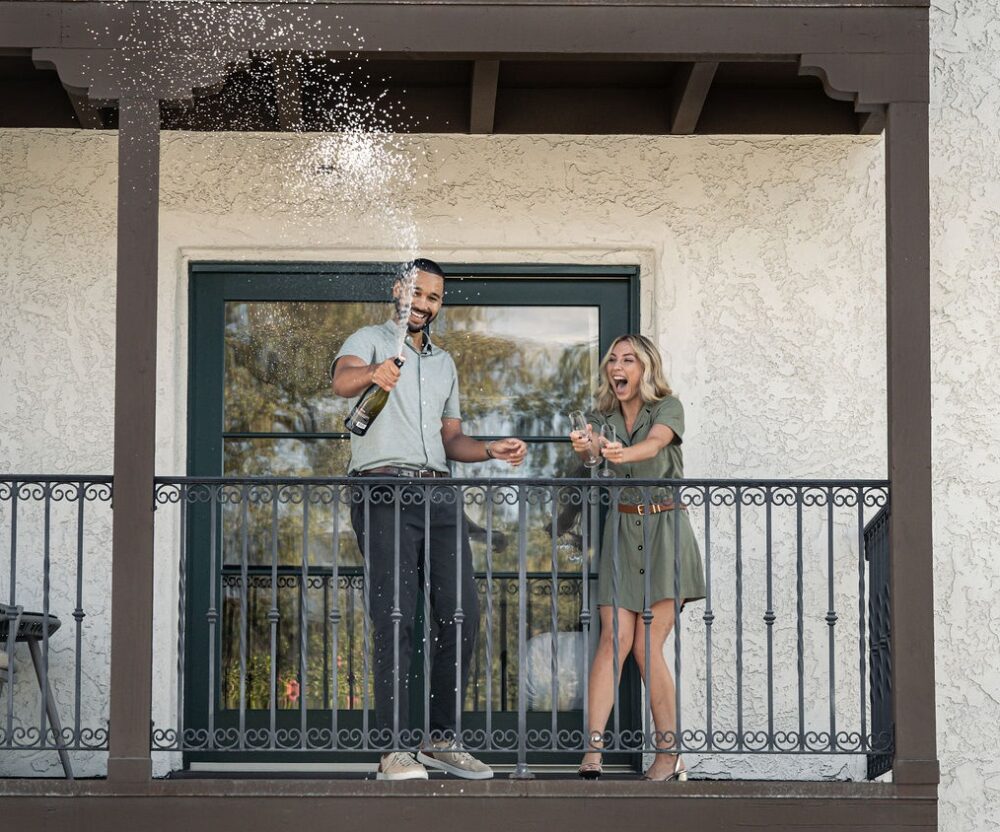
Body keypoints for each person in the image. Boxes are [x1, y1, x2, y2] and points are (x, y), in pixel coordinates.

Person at [332, 258, 527, 781]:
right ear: (399, 290)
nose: (423, 304)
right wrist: (373, 373)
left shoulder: (444, 363)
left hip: (438, 493)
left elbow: (450, 439)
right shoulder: (370, 337)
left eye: (434, 297)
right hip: (381, 488)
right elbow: (341, 382)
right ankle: (394, 750)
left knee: (461, 614)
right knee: (395, 615)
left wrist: (490, 450)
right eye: (416, 292)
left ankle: (440, 740)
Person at [569, 334, 705, 781]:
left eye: (628, 359)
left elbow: (658, 443)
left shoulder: (667, 407)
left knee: (648, 648)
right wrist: (588, 448)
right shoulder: (601, 415)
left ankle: (668, 756)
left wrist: (620, 453)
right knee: (613, 642)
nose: (617, 366)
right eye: (613, 359)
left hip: (665, 529)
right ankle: (592, 753)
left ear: (645, 368)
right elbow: (590, 453)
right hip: (621, 533)